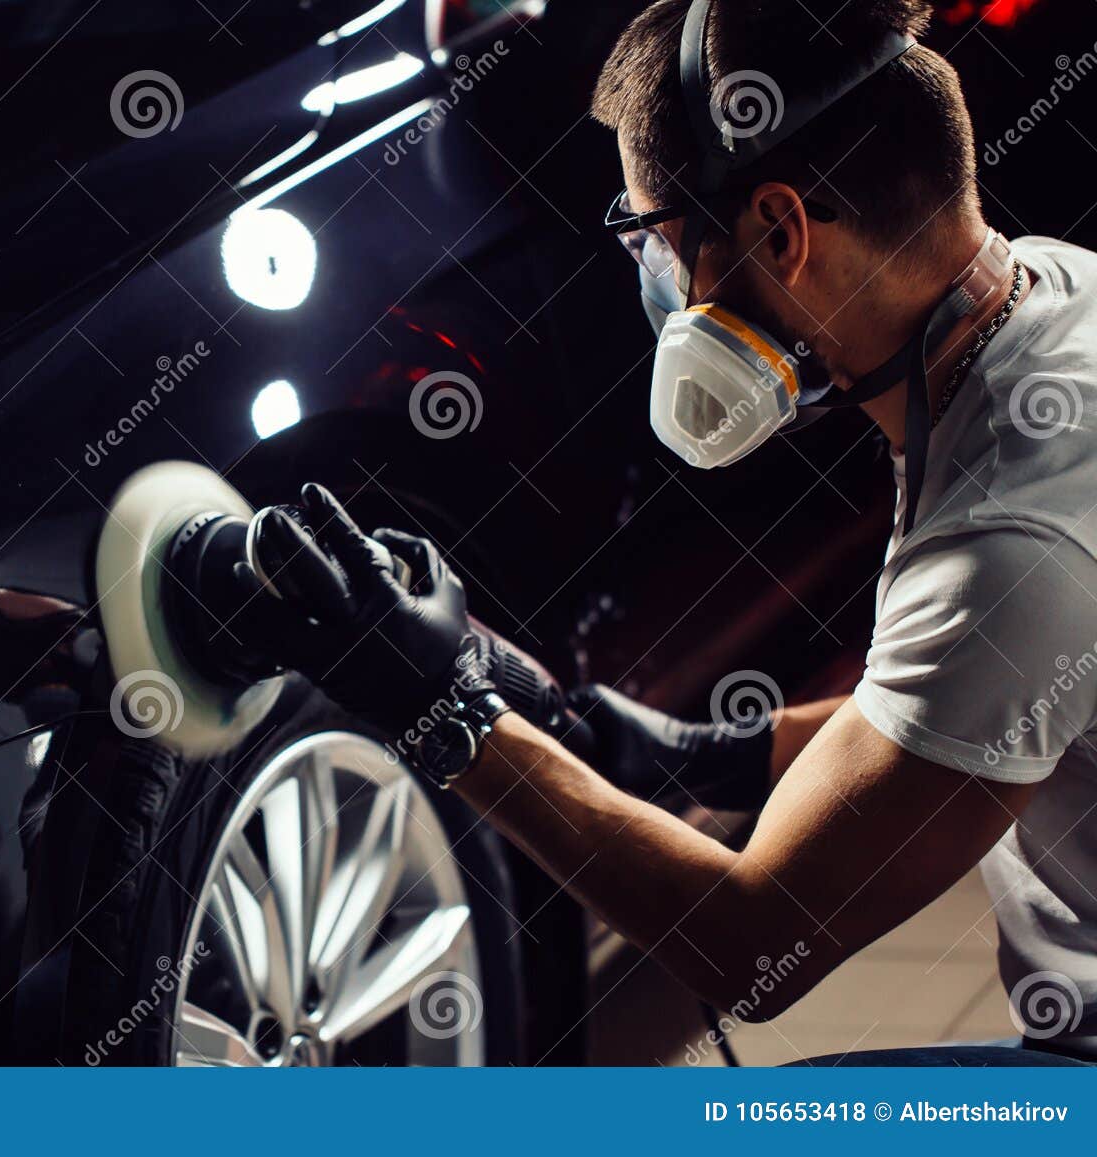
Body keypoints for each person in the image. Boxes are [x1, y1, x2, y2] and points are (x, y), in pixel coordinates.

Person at [234, 0, 1097, 1059]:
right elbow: (941, 709)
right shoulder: (1046, 298)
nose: (664, 293)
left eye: (663, 246)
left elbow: (752, 944)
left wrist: (439, 712)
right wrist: (700, 753)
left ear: (779, 230)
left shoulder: (1012, 536)